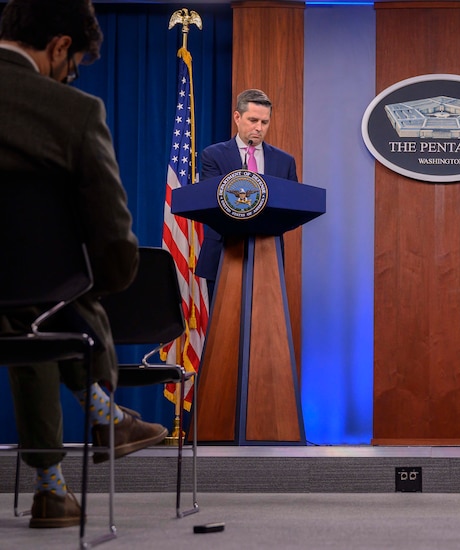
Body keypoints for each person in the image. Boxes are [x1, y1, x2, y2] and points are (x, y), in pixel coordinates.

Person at [0, 0, 168, 528]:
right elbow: (114, 246)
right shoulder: (70, 112)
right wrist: (99, 286)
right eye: (69, 69)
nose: (67, 78)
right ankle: (101, 421)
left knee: (23, 306)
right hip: (42, 306)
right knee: (38, 298)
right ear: (59, 47)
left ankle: (61, 479)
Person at [195, 88, 299, 301]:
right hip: (224, 252)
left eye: (264, 122)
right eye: (253, 120)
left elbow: (293, 208)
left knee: (264, 330)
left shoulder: (284, 161)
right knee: (223, 330)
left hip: (267, 254)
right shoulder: (213, 155)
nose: (258, 128)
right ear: (237, 117)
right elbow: (211, 203)